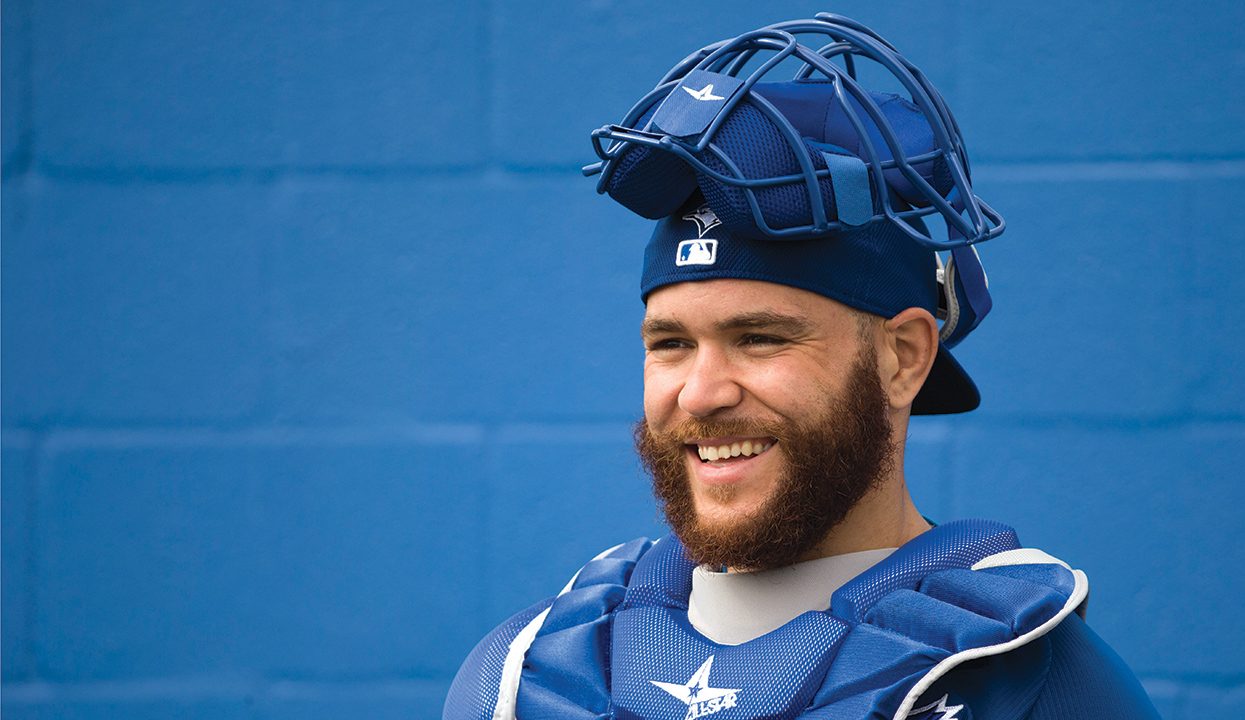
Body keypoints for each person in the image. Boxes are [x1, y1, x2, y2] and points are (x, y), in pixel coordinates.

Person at [445, 14, 1161, 720]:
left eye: (760, 339)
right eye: (670, 344)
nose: (701, 393)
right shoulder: (523, 682)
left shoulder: (1032, 682)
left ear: (904, 358)